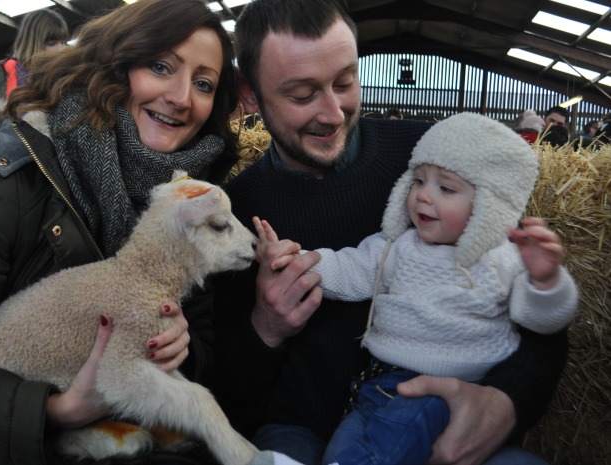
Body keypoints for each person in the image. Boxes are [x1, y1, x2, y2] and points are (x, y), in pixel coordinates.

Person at [212, 1, 570, 465]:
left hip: (443, 416)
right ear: (252, 96)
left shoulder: (437, 157)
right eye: (301, 95)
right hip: (301, 429)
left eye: (344, 82)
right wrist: (266, 326)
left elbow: (537, 310)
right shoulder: (235, 210)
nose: (334, 113)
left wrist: (506, 401)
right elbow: (222, 382)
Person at [0, 0, 243, 463]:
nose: (182, 96)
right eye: (160, 66)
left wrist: (179, 346)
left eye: (204, 83)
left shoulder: (191, 202)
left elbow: (205, 346)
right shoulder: (10, 176)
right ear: (115, 64)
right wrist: (54, 411)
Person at [253, 112, 578, 465]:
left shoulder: (503, 259)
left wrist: (544, 281)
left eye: (446, 188)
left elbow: (542, 321)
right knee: (342, 449)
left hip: (445, 398)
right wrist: (293, 258)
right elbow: (349, 268)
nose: (423, 196)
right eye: (418, 181)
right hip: (376, 391)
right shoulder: (396, 246)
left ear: (489, 204)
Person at [0, 8, 69, 98]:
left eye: (63, 42)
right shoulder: (2, 70)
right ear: (31, 43)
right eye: (51, 43)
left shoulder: (67, 75)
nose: (61, 49)